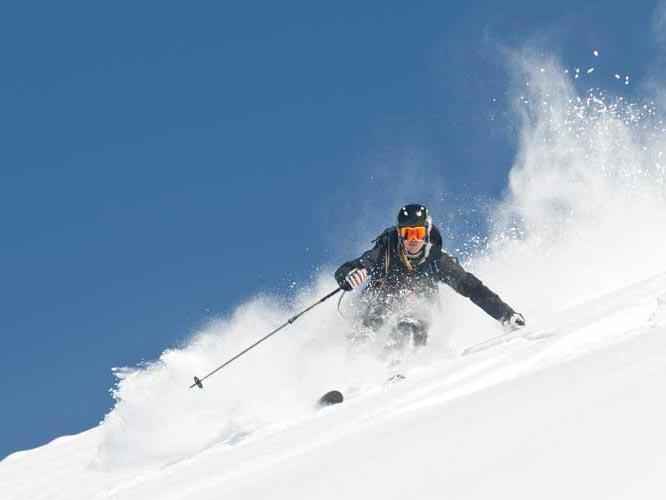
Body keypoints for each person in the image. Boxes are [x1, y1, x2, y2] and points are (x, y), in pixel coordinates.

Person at [335, 204, 525, 348]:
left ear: (426, 232)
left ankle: (405, 362)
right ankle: (359, 366)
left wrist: (506, 315)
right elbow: (348, 269)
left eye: (418, 233)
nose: (413, 240)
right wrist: (350, 276)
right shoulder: (385, 251)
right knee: (369, 326)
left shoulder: (437, 260)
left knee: (411, 321)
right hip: (380, 303)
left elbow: (473, 289)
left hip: (417, 309)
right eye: (407, 233)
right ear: (400, 234)